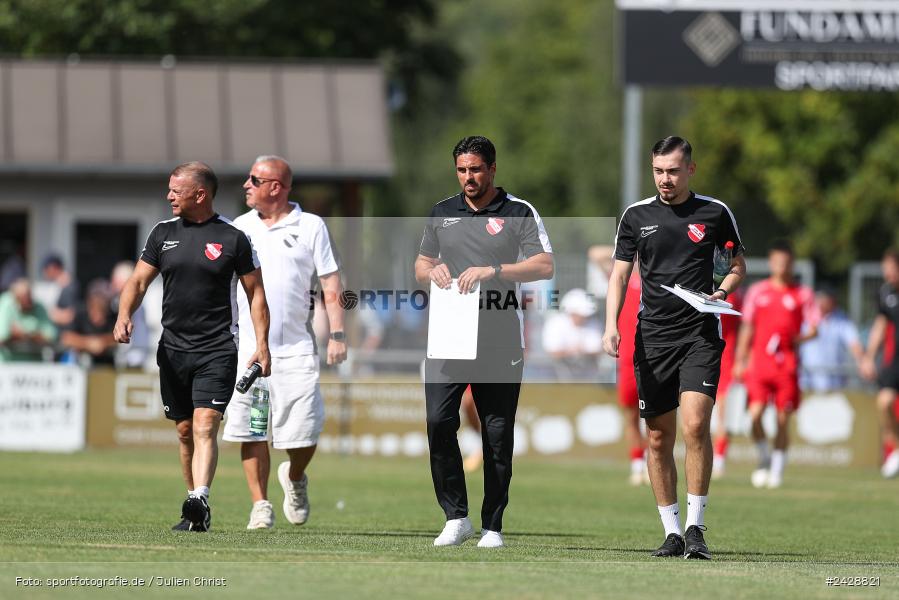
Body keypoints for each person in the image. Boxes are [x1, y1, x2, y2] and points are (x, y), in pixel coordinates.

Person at [603, 136, 745, 560]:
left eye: (673, 171)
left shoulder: (715, 213)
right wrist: (610, 325)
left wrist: (721, 290)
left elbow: (738, 264)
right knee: (659, 437)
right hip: (653, 339)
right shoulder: (636, 217)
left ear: (691, 170)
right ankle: (671, 532)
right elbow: (618, 276)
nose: (666, 179)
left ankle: (696, 527)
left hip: (700, 334)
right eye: (659, 171)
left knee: (696, 425)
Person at [114, 161, 271, 532]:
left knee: (205, 424)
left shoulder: (233, 238)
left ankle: (200, 495)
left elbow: (257, 294)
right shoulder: (162, 234)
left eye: (175, 190)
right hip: (172, 350)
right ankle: (194, 505)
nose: (169, 195)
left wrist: (261, 344)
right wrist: (124, 315)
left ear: (199, 194)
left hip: (217, 348)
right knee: (184, 430)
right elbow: (137, 282)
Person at [414, 135, 554, 548]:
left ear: (492, 169)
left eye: (475, 169)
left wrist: (493, 270)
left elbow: (544, 265)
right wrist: (431, 272)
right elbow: (421, 263)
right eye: (462, 170)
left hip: (500, 339)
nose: (468, 177)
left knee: (496, 434)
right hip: (447, 335)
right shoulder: (442, 212)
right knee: (439, 422)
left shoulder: (519, 212)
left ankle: (492, 525)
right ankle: (456, 516)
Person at [223, 155, 347, 530]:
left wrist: (338, 334)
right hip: (249, 349)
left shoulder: (311, 226)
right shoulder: (238, 228)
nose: (246, 185)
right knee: (252, 428)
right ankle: (260, 504)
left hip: (295, 348)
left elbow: (330, 283)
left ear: (275, 187)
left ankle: (294, 477)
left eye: (253, 179)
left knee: (305, 431)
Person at [733, 240, 818, 490]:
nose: (781, 266)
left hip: (787, 366)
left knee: (783, 420)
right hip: (759, 364)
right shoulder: (758, 291)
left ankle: (777, 471)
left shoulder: (803, 294)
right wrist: (741, 359)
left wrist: (796, 339)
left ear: (792, 263)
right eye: (777, 261)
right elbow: (747, 327)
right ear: (771, 262)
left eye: (786, 261)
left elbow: (814, 328)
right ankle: (764, 456)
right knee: (755, 417)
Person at [860, 248, 899, 478]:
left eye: (892, 269)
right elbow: (881, 325)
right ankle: (895, 450)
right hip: (895, 361)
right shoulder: (885, 293)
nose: (888, 274)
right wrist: (868, 356)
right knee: (884, 402)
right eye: (885, 270)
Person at [616, 271, 649, 486]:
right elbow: (596, 254)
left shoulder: (659, 274)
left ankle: (650, 463)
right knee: (631, 414)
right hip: (627, 356)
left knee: (655, 416)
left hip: (654, 355)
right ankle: (637, 463)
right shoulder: (623, 276)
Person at [800, 286, 864, 393]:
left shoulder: (842, 320)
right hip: (807, 379)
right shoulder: (805, 318)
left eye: (824, 298)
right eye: (819, 298)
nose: (820, 302)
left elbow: (854, 343)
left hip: (834, 381)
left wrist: (862, 361)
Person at [711, 287, 743, 480]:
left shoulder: (735, 295)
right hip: (701, 354)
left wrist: (742, 359)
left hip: (726, 358)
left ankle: (719, 460)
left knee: (724, 413)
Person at [542, 288, 603, 380]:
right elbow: (553, 351)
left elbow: (597, 349)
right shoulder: (555, 323)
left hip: (589, 376)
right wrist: (574, 352)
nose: (583, 317)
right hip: (558, 374)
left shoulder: (594, 324)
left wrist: (577, 352)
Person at [60, 279, 118, 366]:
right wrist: (88, 343)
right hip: (81, 366)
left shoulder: (113, 315)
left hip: (107, 366)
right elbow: (66, 338)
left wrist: (103, 342)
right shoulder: (80, 312)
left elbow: (120, 338)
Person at [0, 278, 57, 362]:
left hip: (33, 365)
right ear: (15, 298)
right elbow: (2, 337)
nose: (27, 300)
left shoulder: (38, 306)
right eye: (23, 297)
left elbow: (51, 336)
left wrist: (26, 335)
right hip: (9, 364)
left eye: (28, 296)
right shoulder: (6, 303)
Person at [109, 261, 151, 368]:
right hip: (127, 358)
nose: (112, 285)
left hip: (137, 359)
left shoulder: (138, 304)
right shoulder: (115, 302)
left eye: (116, 282)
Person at [39, 254, 80, 328]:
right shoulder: (58, 286)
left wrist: (45, 314)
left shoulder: (68, 288)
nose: (44, 273)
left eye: (46, 269)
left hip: (65, 334)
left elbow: (69, 316)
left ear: (53, 267)